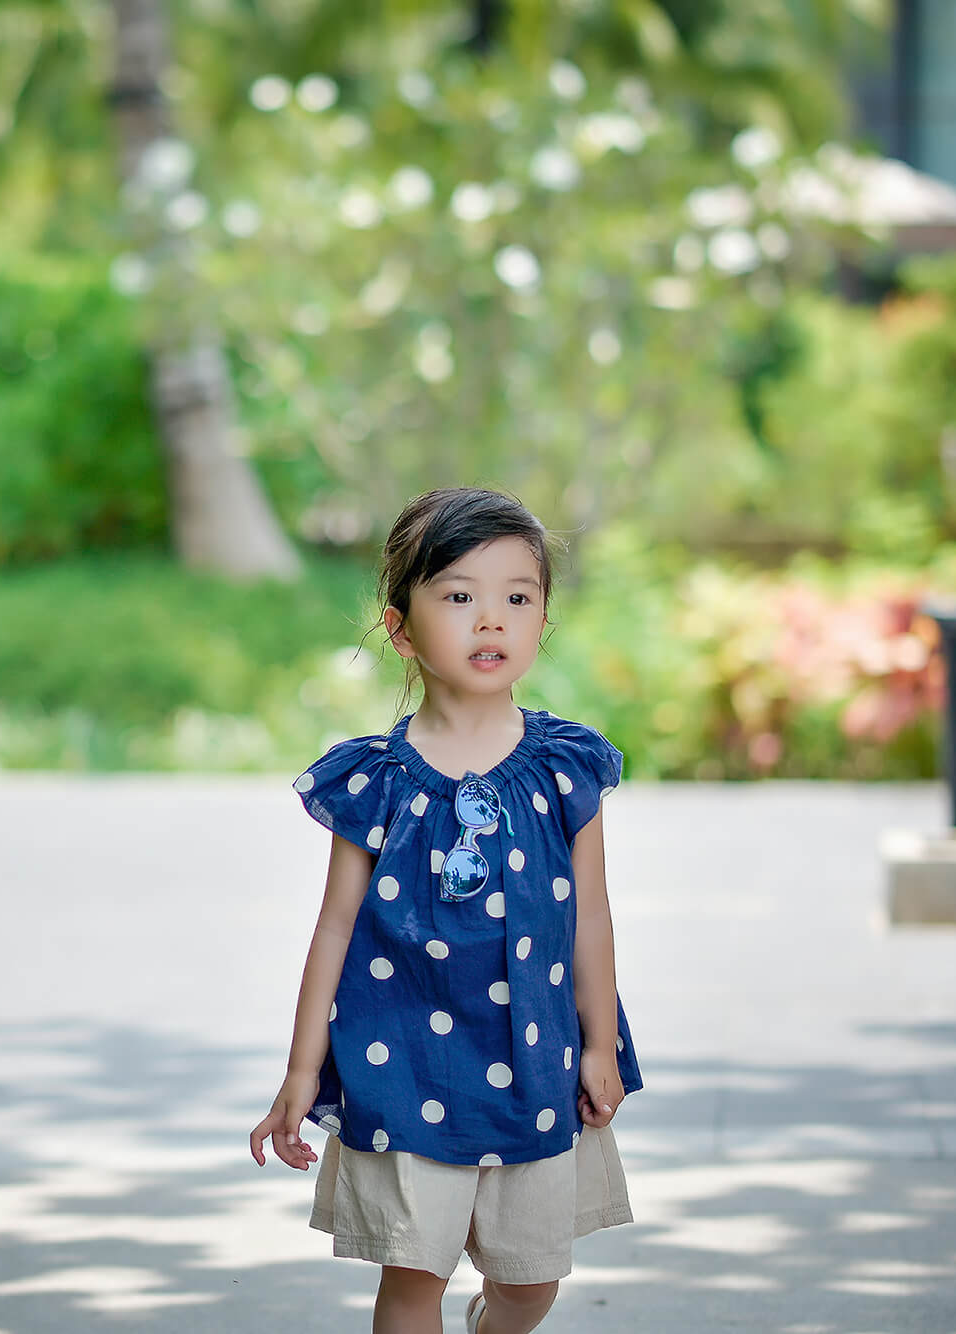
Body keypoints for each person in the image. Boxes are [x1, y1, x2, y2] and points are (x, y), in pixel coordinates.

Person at [248, 487, 642, 1334]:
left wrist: (600, 1042)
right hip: (401, 1062)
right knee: (412, 1275)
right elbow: (335, 928)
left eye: (517, 597)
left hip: (533, 1061)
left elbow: (592, 917)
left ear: (543, 621)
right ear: (401, 628)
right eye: (459, 597)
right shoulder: (376, 781)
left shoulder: (564, 768)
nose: (490, 621)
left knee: (531, 1282)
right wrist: (299, 1071)